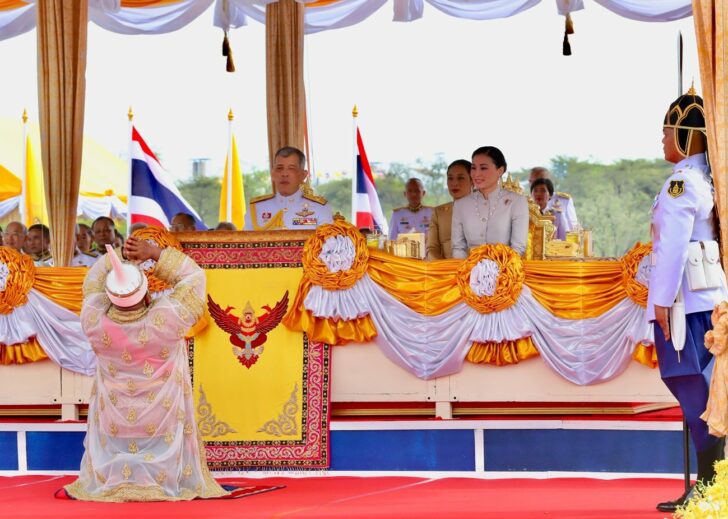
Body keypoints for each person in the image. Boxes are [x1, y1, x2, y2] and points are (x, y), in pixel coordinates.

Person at [64, 236, 228, 501]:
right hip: (160, 421)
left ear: (109, 294)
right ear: (147, 291)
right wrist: (153, 252)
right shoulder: (167, 317)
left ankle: (119, 482)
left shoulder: (93, 318)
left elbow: (93, 278)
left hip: (115, 424)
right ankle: (157, 483)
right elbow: (194, 277)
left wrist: (119, 255)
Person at [649, 87, 727, 513]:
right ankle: (711, 482)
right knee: (699, 389)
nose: (661, 140)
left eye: (666, 132)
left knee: (695, 388)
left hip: (687, 304)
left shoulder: (682, 182)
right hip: (702, 299)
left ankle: (711, 485)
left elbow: (675, 247)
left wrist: (660, 301)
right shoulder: (703, 178)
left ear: (684, 135)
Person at [451, 146, 529, 257]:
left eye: (483, 168)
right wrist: (467, 271)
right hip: (469, 270)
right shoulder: (460, 205)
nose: (476, 174)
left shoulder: (517, 202)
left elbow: (518, 249)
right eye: (473, 168)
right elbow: (458, 247)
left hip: (505, 269)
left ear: (500, 170)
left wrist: (497, 271)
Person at [244, 146, 332, 231]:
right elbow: (246, 243)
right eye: (279, 168)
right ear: (273, 174)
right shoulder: (257, 208)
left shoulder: (320, 208)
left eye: (291, 168)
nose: (284, 174)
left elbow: (326, 244)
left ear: (303, 175)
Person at [426, 160, 473, 260]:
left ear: (472, 180)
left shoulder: (484, 210)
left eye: (460, 178)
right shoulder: (439, 213)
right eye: (450, 178)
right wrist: (443, 270)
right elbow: (431, 248)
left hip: (476, 272)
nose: (454, 183)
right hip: (445, 272)